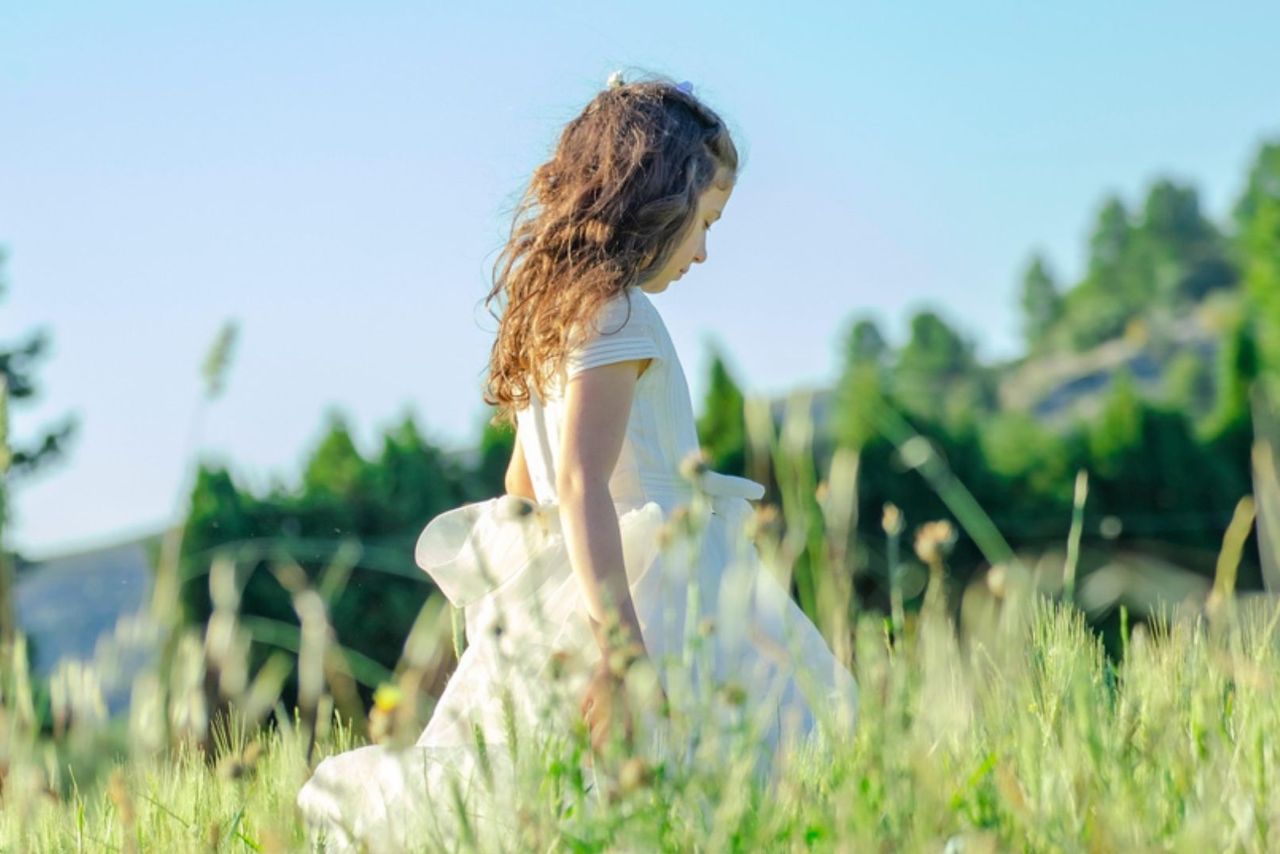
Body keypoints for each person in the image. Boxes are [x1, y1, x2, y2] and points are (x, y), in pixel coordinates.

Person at [296, 71, 859, 851]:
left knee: (576, 796)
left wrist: (522, 607)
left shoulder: (555, 314)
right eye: (706, 221)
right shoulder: (622, 313)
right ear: (657, 199)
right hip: (652, 592)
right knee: (754, 752)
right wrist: (623, 654)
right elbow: (580, 481)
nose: (705, 250)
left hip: (575, 588)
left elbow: (524, 489)